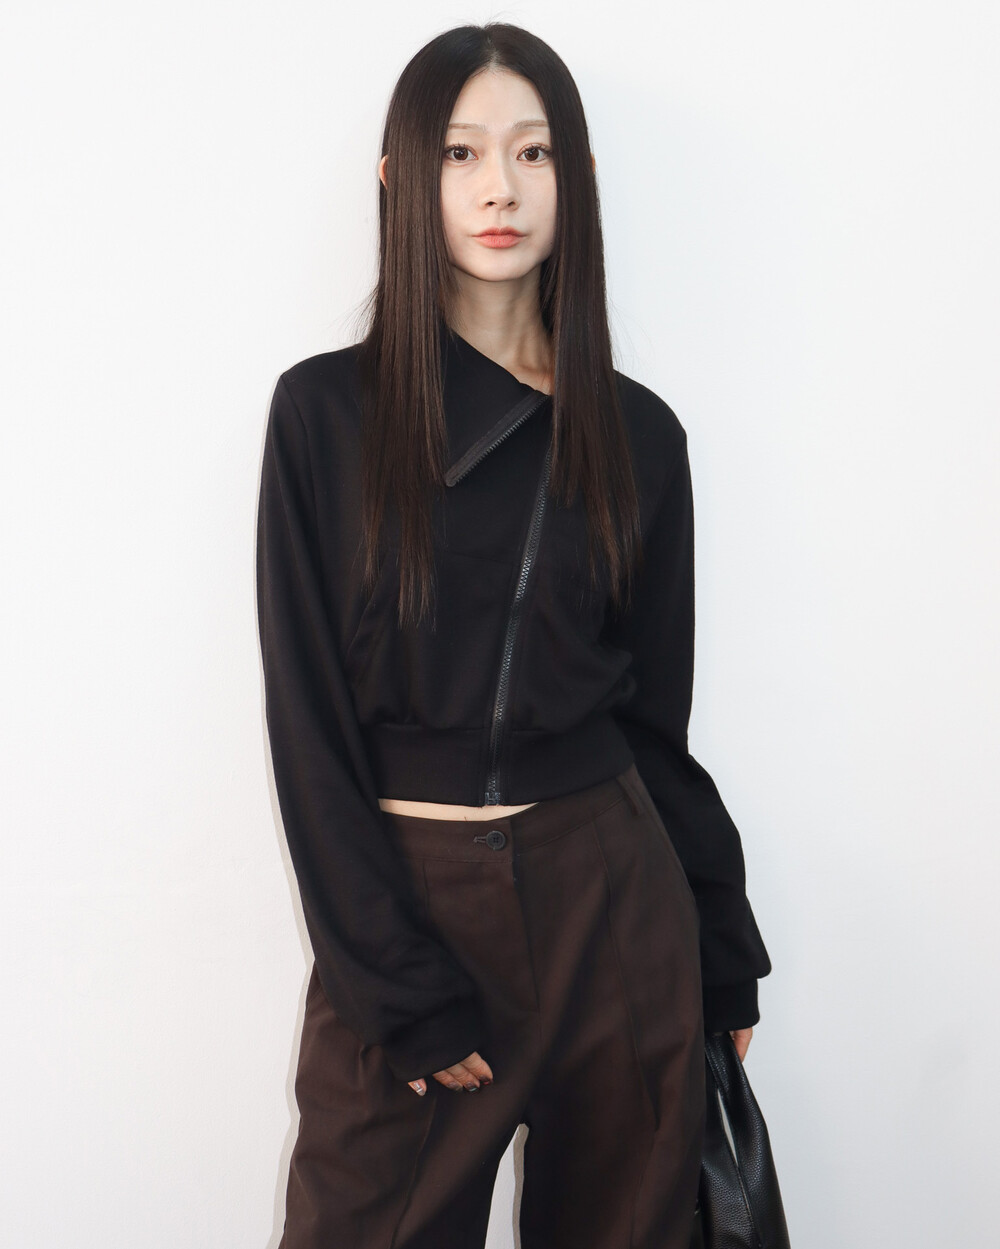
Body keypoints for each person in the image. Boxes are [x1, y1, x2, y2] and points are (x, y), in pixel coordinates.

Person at [255, 21, 772, 1249]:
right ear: (401, 179)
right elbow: (309, 732)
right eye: (461, 153)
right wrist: (397, 989)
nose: (500, 187)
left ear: (574, 179)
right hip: (415, 907)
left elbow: (652, 722)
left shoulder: (639, 437)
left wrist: (717, 946)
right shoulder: (325, 414)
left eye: (533, 153)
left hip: (612, 906)